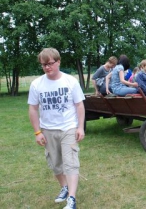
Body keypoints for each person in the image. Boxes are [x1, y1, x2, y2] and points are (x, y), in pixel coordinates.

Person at [27, 48, 85, 209]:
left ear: (58, 62)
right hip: (48, 129)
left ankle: (72, 199)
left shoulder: (70, 81)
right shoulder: (36, 84)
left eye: (50, 63)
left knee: (71, 162)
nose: (47, 67)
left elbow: (79, 105)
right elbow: (33, 109)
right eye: (44, 65)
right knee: (55, 163)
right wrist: (37, 132)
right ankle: (64, 187)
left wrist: (80, 127)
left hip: (68, 128)